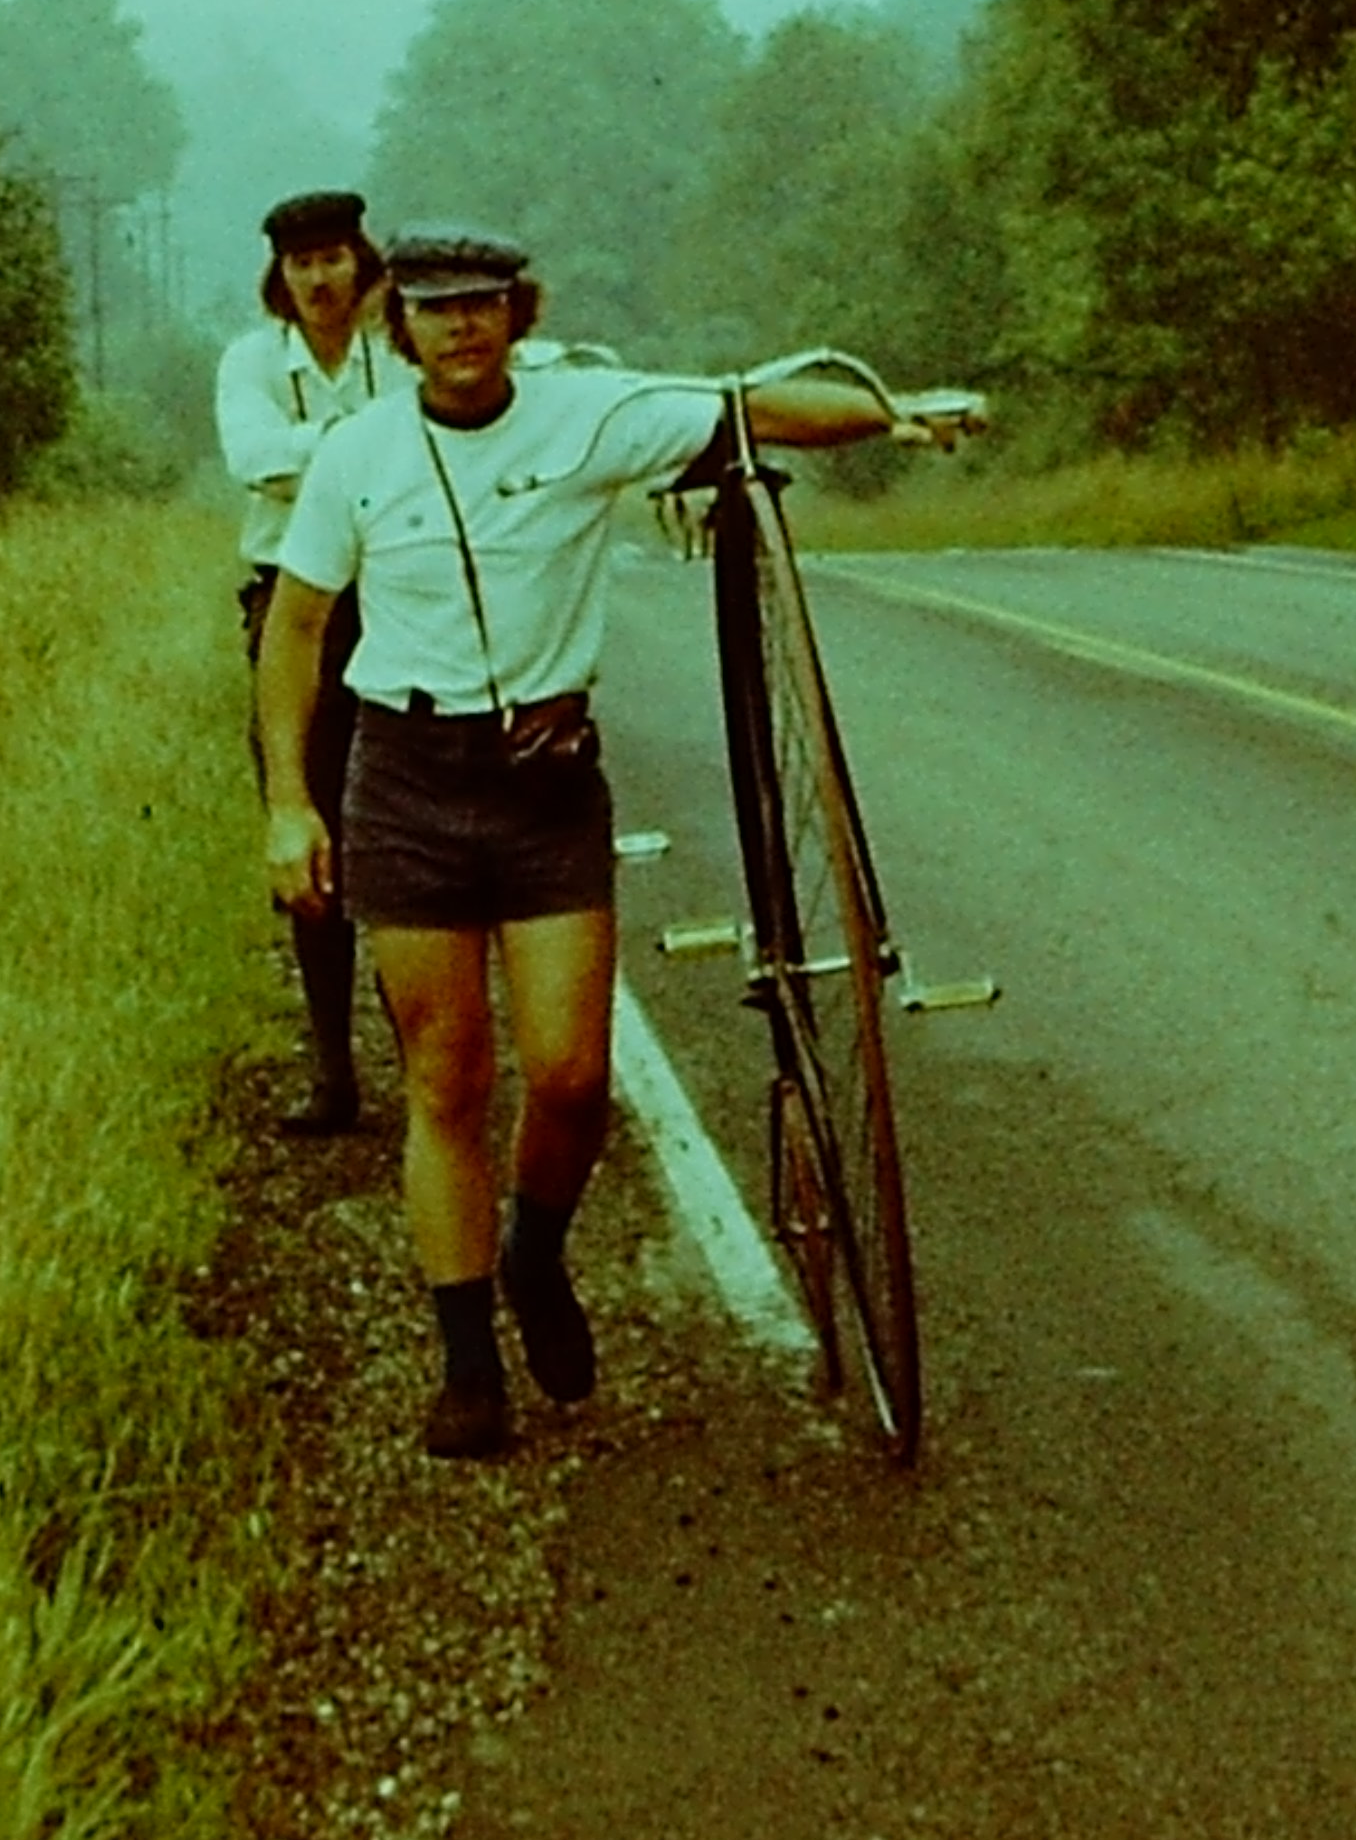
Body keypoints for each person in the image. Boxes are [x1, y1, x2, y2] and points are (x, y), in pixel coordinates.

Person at [254, 222, 956, 1458]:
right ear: (397, 324)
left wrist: (890, 418)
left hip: (544, 782)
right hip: (406, 781)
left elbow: (753, 410)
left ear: (516, 313)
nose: (460, 326)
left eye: (482, 304)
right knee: (448, 1079)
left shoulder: (592, 414)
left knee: (573, 1073)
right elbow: (299, 628)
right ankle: (468, 1364)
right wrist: (288, 805)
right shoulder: (353, 454)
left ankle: (535, 1249)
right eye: (432, 308)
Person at [220, 187, 393, 1132]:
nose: (320, 279)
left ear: (359, 265)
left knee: (408, 830)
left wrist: (317, 452)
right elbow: (255, 460)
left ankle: (431, 1058)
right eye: (301, 264)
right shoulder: (250, 362)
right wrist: (362, 447)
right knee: (308, 826)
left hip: (401, 602)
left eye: (334, 259)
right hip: (292, 610)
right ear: (280, 277)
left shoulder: (393, 352)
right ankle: (334, 1072)